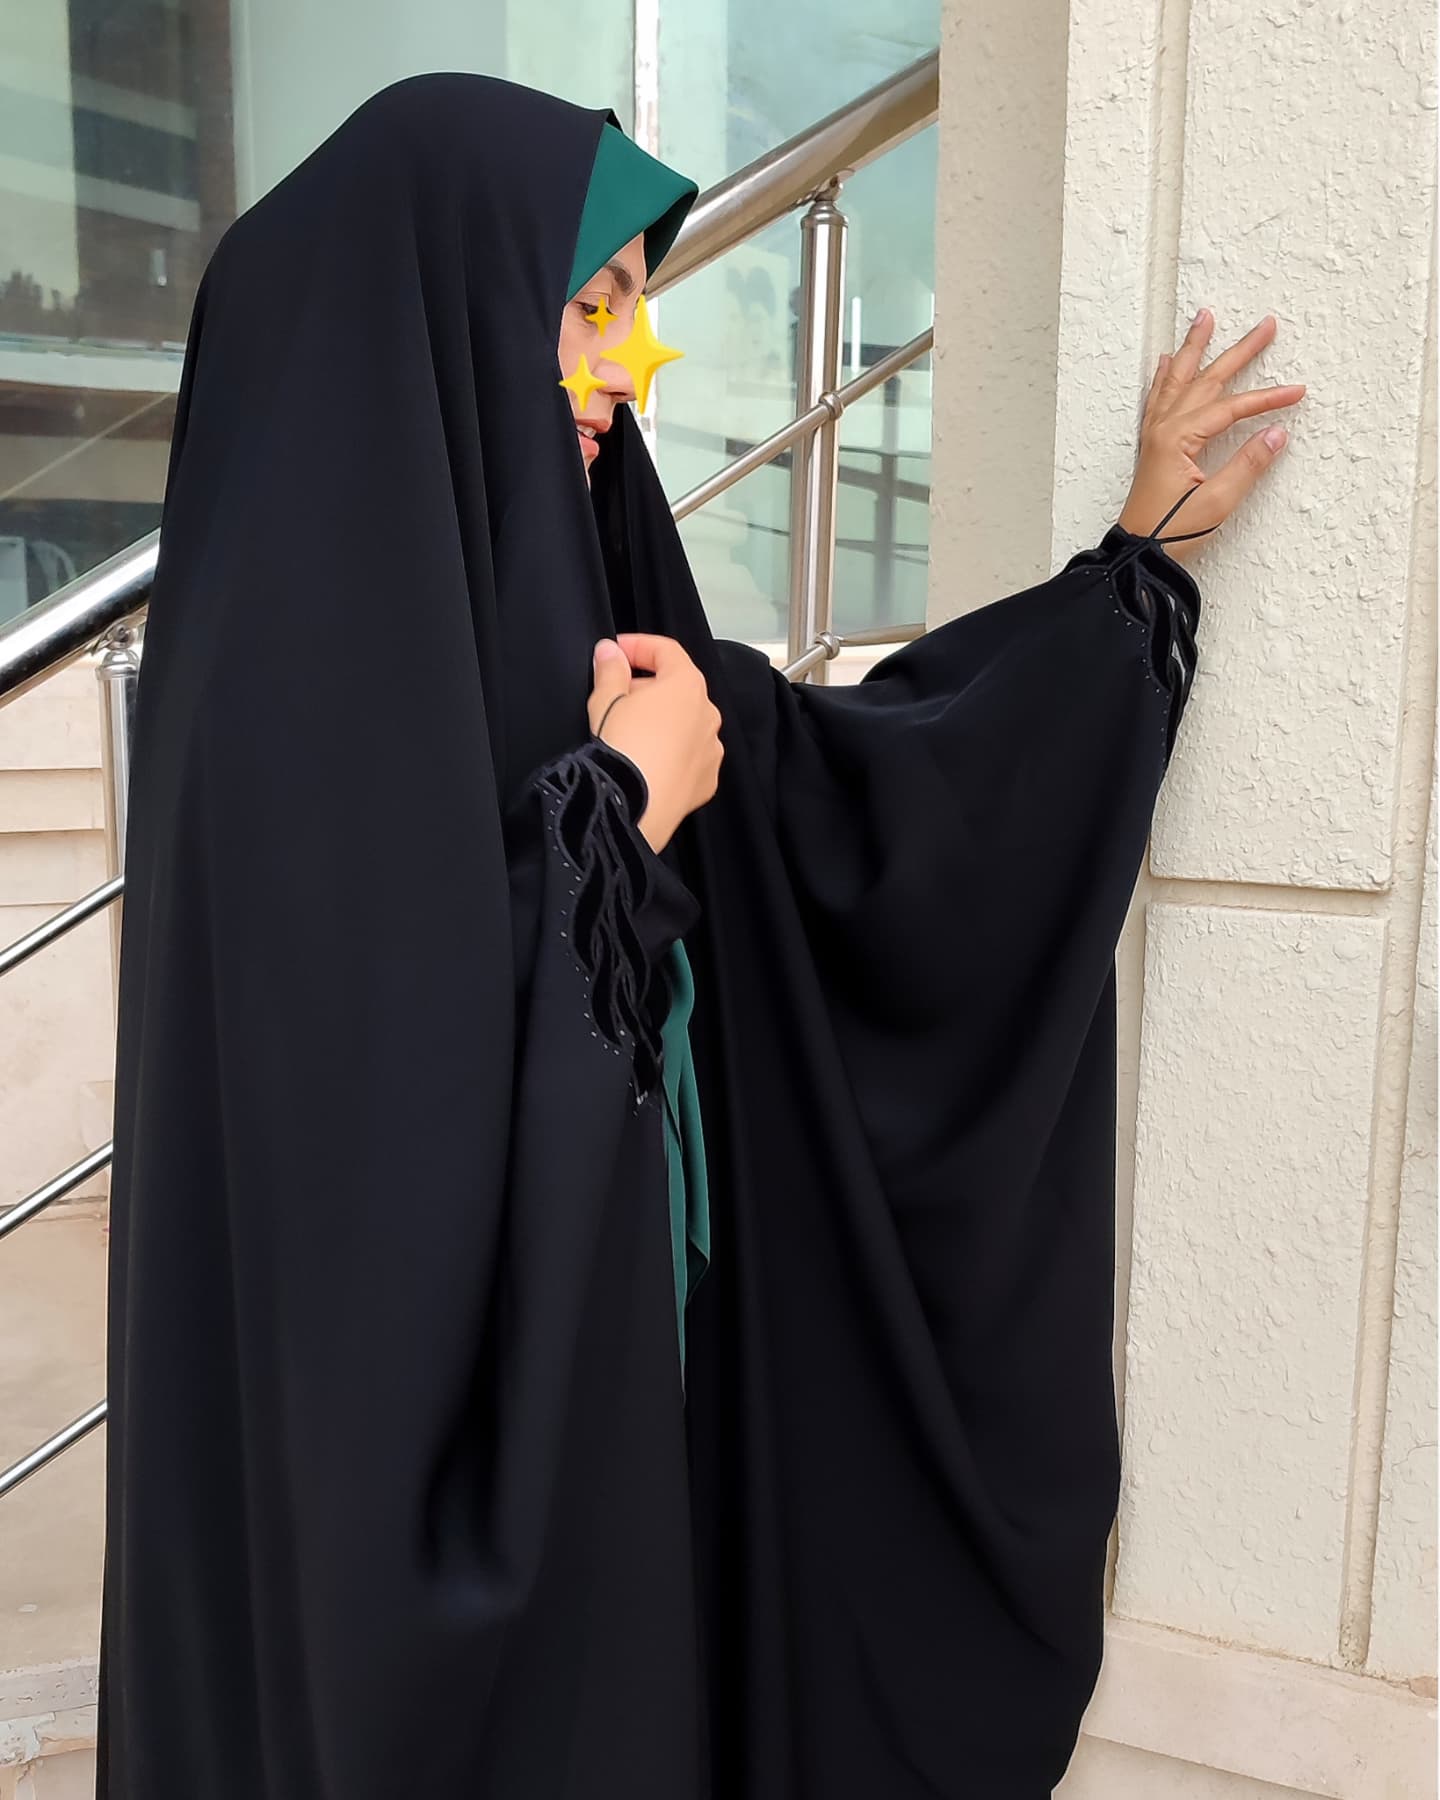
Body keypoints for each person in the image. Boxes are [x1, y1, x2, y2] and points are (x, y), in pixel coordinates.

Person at [97, 73, 1305, 1800]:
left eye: (635, 309)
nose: (630, 366)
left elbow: (868, 805)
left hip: (629, 1472)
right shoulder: (277, 709)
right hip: (409, 1586)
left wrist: (1134, 559)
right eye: (587, 305)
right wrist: (619, 813)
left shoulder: (598, 626)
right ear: (441, 314)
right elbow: (369, 1179)